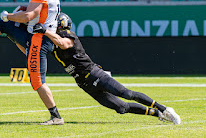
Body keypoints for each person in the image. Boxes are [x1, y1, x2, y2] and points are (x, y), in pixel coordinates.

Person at [30, 13, 181, 125]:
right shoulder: (52, 43)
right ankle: (158, 114)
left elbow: (63, 43)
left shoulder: (67, 35)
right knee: (121, 108)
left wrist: (45, 31)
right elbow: (35, 51)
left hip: (94, 74)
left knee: (126, 93)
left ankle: (165, 109)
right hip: (84, 83)